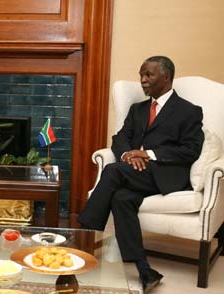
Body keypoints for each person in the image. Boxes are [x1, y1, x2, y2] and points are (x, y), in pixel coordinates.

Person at [77, 56, 204, 293]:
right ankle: (145, 269)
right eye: (141, 75)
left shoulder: (189, 111)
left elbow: (190, 150)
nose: (143, 81)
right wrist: (128, 155)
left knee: (112, 171)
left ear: (166, 77)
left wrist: (149, 154)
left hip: (166, 174)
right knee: (121, 198)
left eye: (149, 75)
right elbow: (121, 138)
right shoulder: (138, 109)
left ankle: (82, 238)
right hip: (133, 171)